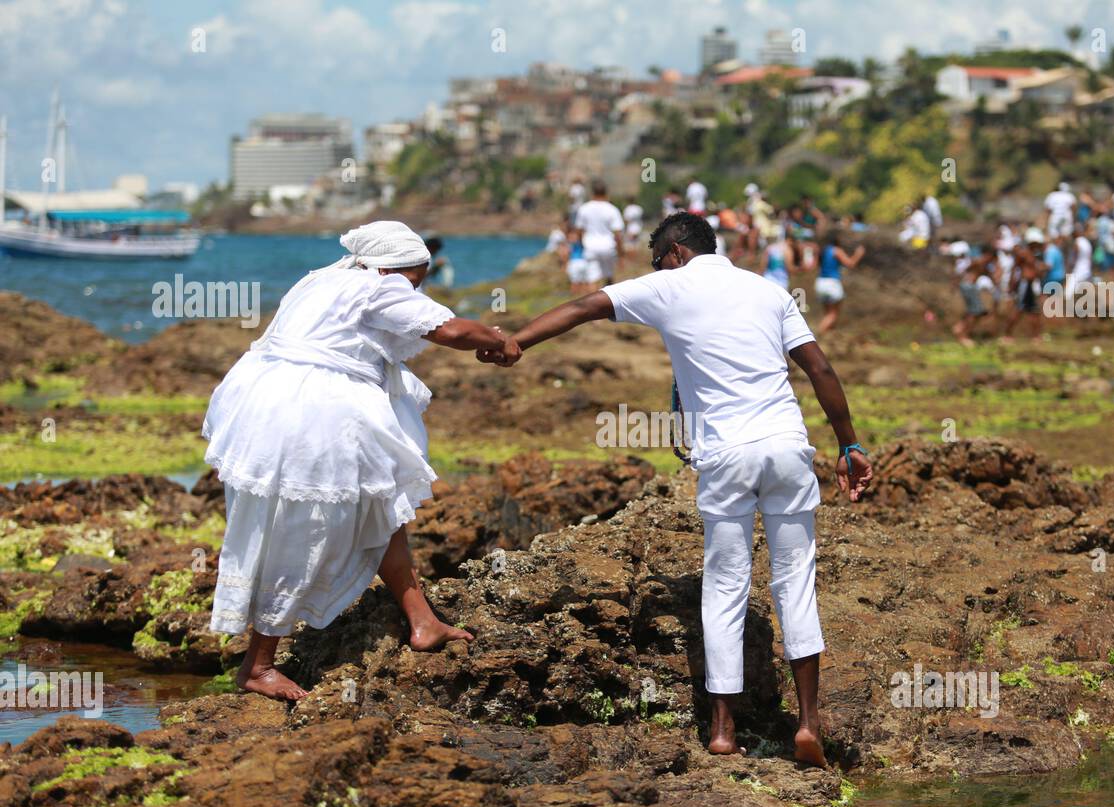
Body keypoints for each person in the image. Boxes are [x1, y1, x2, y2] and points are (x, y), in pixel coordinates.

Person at [478, 212, 872, 766]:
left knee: (726, 586)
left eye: (656, 258)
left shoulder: (670, 282)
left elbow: (583, 307)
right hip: (787, 446)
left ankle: (722, 730)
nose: (654, 269)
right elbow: (820, 369)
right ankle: (807, 724)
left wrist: (516, 341)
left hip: (727, 456)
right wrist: (850, 446)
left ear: (677, 252)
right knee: (795, 581)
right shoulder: (769, 290)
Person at [202, 221, 513, 701]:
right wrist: (497, 338)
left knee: (382, 505)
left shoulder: (322, 279)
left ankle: (422, 621)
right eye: (415, 279)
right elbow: (450, 329)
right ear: (393, 268)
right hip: (310, 415)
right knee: (303, 529)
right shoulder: (379, 285)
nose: (416, 288)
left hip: (263, 401)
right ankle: (258, 666)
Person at [573, 179, 624, 287]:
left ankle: (593, 303)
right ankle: (609, 302)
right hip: (608, 247)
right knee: (609, 278)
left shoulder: (584, 208)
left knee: (592, 278)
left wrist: (582, 245)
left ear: (592, 192)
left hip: (590, 246)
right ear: (606, 192)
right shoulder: (612, 209)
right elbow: (618, 235)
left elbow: (578, 231)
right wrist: (620, 254)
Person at [814, 231, 866, 334]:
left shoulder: (823, 251)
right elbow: (850, 263)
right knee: (833, 314)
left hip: (820, 282)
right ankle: (818, 335)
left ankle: (827, 336)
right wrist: (858, 254)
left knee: (827, 313)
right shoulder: (836, 250)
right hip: (832, 283)